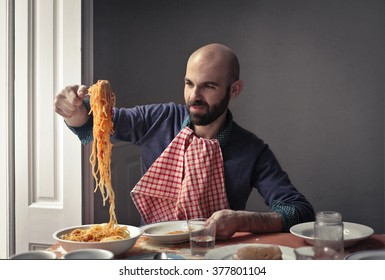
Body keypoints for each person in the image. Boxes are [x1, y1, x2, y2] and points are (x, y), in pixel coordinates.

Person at [54, 43, 314, 240]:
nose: (193, 96)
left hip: (216, 257)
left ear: (234, 90)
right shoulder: (159, 119)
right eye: (189, 83)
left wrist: (242, 220)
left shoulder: (252, 150)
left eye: (208, 86)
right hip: (153, 253)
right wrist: (74, 112)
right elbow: (95, 122)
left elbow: (300, 212)